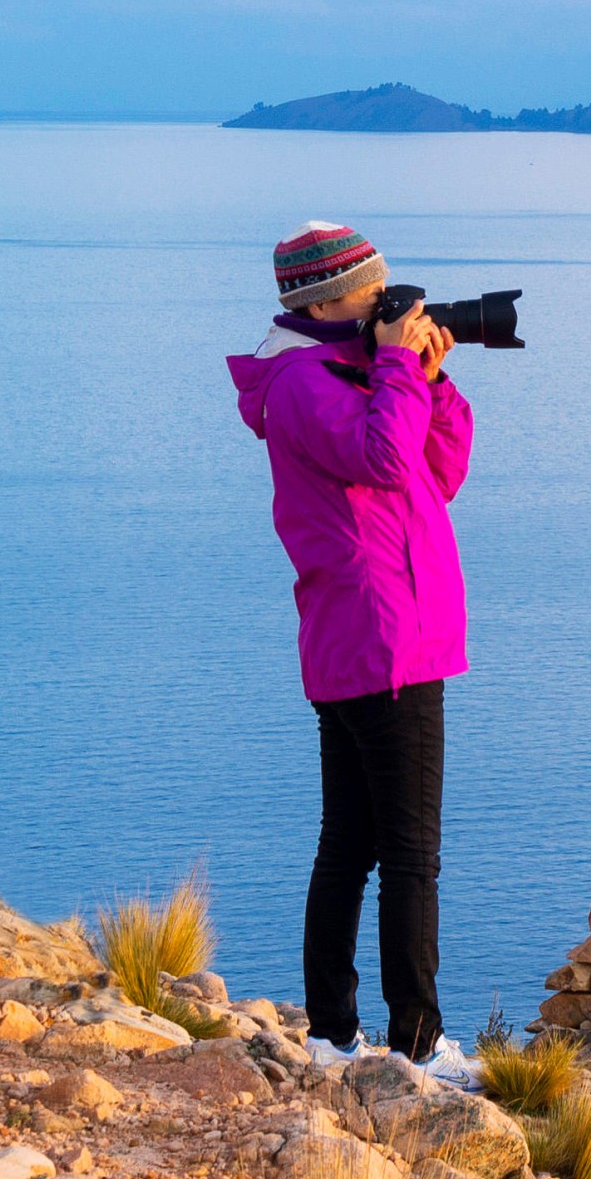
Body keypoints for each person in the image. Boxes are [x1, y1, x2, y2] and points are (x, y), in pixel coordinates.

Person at [226, 219, 472, 1068]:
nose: (393, 306)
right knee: (408, 852)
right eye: (377, 295)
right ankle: (416, 1047)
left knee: (354, 843)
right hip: (384, 639)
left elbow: (439, 471)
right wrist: (399, 369)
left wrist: (428, 379)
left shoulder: (343, 368)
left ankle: (334, 1034)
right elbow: (385, 459)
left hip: (376, 636)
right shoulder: (302, 380)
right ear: (326, 299)